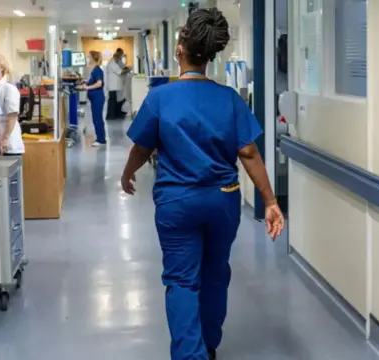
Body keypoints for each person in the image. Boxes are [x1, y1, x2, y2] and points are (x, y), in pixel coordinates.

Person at [121, 8, 285, 360]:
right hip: (223, 201)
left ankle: (190, 355)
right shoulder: (229, 99)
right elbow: (250, 152)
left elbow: (142, 146)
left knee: (181, 280)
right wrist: (270, 200)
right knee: (215, 275)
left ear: (180, 49)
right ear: (211, 56)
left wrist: (127, 172)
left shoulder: (161, 98)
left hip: (177, 203)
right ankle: (209, 346)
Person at [0, 53, 25, 155]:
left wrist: (5, 139)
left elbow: (12, 116)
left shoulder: (9, 88)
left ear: (1, 67)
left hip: (8, 143)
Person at [80, 51, 106, 147]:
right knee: (96, 118)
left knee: (97, 119)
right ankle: (100, 138)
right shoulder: (95, 70)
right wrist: (86, 83)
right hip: (95, 98)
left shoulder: (98, 70)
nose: (88, 59)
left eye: (89, 57)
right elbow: (94, 82)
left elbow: (99, 83)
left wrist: (87, 87)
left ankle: (101, 139)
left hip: (98, 98)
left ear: (93, 58)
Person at [106, 48, 129, 119]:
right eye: (120, 57)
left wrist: (126, 69)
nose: (120, 59)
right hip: (113, 86)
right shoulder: (112, 63)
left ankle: (114, 114)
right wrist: (128, 70)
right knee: (112, 101)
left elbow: (122, 68)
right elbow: (121, 72)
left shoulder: (115, 62)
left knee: (115, 101)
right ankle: (110, 116)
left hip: (115, 86)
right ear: (117, 56)